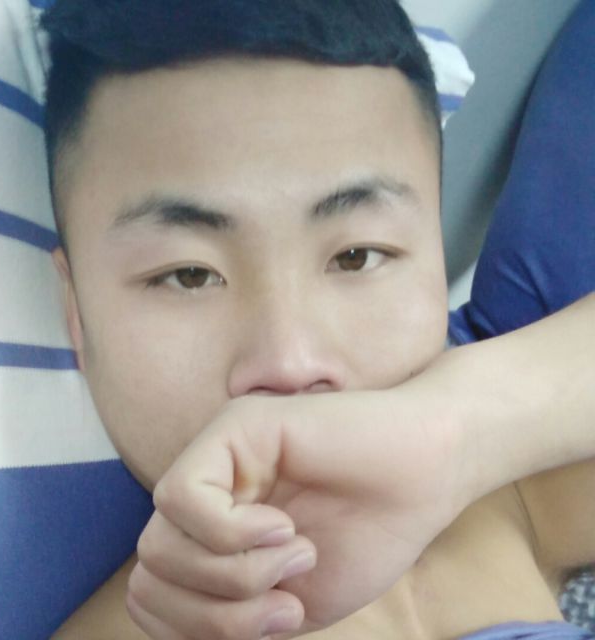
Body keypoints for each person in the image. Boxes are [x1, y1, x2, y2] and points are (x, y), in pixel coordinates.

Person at [41, 0, 595, 638]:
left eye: (356, 257)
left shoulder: (498, 493)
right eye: (189, 275)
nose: (291, 363)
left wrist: (461, 429)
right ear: (76, 314)